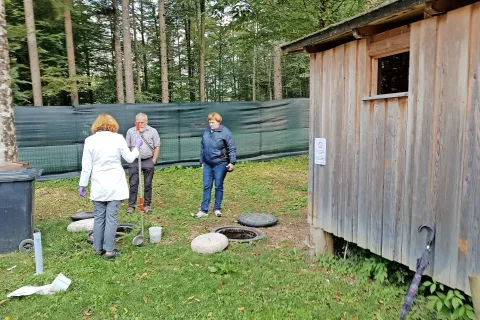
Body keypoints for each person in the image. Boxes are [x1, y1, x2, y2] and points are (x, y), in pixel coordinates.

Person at [78, 114, 142, 260]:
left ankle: (97, 249)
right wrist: (137, 147)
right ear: (112, 125)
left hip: (98, 186)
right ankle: (109, 251)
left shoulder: (89, 141)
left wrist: (82, 184)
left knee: (99, 218)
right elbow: (130, 158)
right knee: (111, 218)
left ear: (96, 125)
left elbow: (86, 166)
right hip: (114, 185)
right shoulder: (118, 138)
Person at [195, 112, 237, 219]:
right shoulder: (206, 132)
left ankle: (217, 208)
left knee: (218, 186)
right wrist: (202, 162)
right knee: (206, 186)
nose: (210, 124)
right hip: (207, 164)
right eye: (209, 122)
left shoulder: (226, 132)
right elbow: (203, 148)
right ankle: (204, 210)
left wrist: (232, 162)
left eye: (212, 122)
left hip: (220, 164)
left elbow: (231, 148)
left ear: (218, 122)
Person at [125, 113, 161, 214]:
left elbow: (157, 146)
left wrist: (153, 160)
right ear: (135, 122)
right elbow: (126, 146)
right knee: (133, 183)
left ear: (146, 122)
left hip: (148, 160)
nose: (140, 124)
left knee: (148, 184)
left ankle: (146, 205)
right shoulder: (131, 131)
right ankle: (131, 206)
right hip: (135, 160)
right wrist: (130, 157)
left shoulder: (153, 131)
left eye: (142, 122)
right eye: (138, 122)